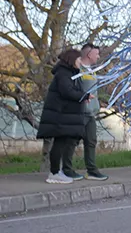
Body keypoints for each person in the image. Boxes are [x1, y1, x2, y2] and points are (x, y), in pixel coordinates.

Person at [37, 48, 89, 184]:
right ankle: (54, 173)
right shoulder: (63, 73)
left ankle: (56, 171)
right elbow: (67, 91)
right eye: (78, 60)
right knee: (59, 144)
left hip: (63, 115)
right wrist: (84, 96)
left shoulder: (67, 73)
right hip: (60, 115)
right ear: (72, 60)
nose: (80, 62)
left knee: (61, 143)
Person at [77, 43, 108, 181]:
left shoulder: (92, 71)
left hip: (91, 114)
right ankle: (64, 170)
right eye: (96, 54)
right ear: (89, 54)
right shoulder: (78, 70)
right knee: (71, 141)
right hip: (80, 113)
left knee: (91, 141)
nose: (98, 56)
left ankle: (92, 170)